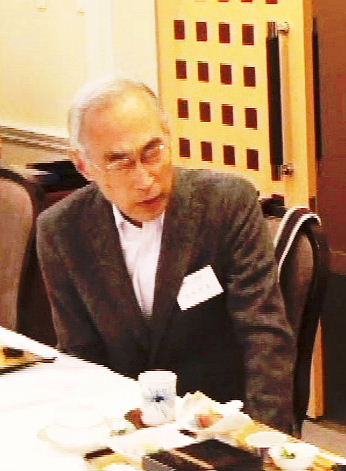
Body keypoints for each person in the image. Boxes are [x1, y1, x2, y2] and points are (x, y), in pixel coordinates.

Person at [37, 78, 294, 431]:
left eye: (153, 151)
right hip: (123, 427)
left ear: (169, 138)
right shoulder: (62, 230)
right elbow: (81, 356)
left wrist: (262, 439)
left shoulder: (226, 205)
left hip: (220, 423)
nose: (145, 179)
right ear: (83, 166)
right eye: (120, 162)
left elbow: (264, 336)